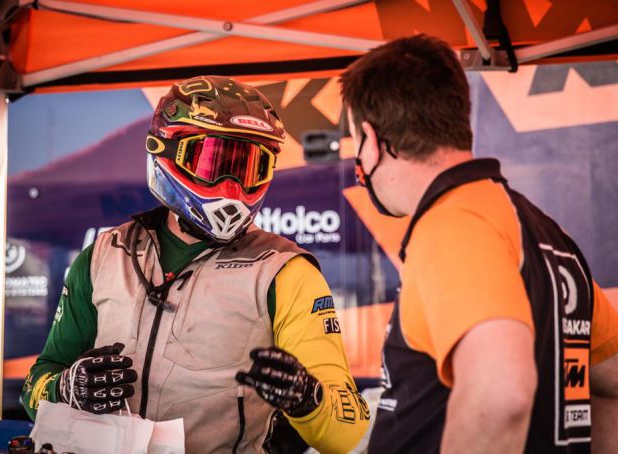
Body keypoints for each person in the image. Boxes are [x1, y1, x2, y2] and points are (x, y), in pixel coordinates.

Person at [22, 75, 369, 453]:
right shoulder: (105, 257)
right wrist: (65, 389)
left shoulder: (285, 272)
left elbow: (350, 434)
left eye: (250, 167)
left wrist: (308, 399)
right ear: (165, 151)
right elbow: (35, 386)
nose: (231, 186)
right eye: (214, 162)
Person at [340, 35, 618, 453]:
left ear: (371, 139)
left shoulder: (453, 224)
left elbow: (502, 393)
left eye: (356, 144)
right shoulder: (541, 230)